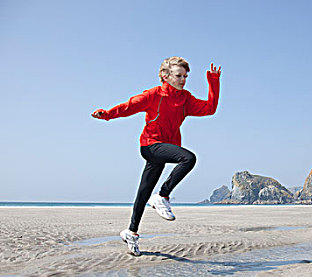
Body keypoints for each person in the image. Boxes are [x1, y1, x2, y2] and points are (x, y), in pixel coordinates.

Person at [92, 57, 221, 256]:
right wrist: (107, 114)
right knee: (188, 158)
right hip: (150, 145)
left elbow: (209, 109)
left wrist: (213, 82)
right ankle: (162, 196)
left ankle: (131, 233)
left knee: (143, 192)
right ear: (165, 76)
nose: (183, 80)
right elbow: (129, 106)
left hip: (165, 148)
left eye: (185, 76)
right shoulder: (154, 95)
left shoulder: (185, 99)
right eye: (178, 76)